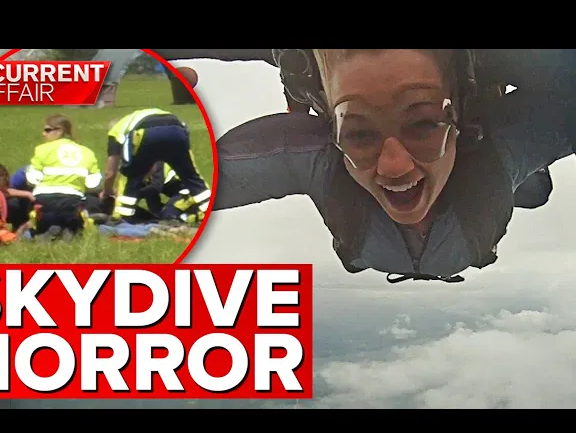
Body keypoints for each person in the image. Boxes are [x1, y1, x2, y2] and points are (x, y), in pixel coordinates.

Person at [212, 49, 576, 283]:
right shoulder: (316, 155)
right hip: (471, 226)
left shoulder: (502, 145)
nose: (394, 166)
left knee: (533, 191)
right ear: (334, 129)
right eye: (359, 133)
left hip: (483, 159)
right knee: (527, 186)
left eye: (423, 124)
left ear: (458, 114)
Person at [102, 108, 211, 223]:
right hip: (178, 129)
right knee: (192, 178)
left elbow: (110, 173)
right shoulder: (135, 119)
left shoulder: (116, 131)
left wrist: (107, 192)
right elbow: (151, 168)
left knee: (130, 178)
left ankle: (120, 219)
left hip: (146, 132)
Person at [25, 114, 102, 240]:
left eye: (47, 130)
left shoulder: (41, 150)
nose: (43, 134)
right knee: (73, 225)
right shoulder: (87, 152)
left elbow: (32, 179)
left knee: (39, 225)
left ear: (60, 131)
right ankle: (67, 228)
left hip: (44, 202)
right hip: (72, 202)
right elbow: (94, 183)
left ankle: (48, 229)